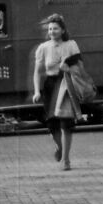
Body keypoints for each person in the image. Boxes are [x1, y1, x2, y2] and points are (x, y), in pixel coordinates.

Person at [32, 13, 85, 171]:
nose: (52, 31)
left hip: (66, 84)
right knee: (52, 123)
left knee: (66, 124)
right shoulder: (43, 48)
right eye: (50, 29)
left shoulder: (71, 45)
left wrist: (68, 67)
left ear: (62, 30)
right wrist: (36, 91)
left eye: (55, 28)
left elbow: (80, 66)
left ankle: (66, 159)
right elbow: (37, 72)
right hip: (50, 85)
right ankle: (60, 147)